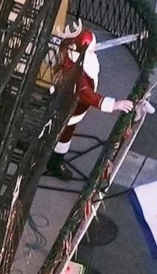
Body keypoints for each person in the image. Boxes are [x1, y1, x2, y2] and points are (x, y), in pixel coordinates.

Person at [46, 24, 135, 179]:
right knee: (63, 134)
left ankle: (49, 154)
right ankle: (54, 161)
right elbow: (87, 94)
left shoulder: (70, 52)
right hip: (69, 108)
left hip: (64, 102)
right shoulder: (78, 72)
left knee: (59, 132)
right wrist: (114, 104)